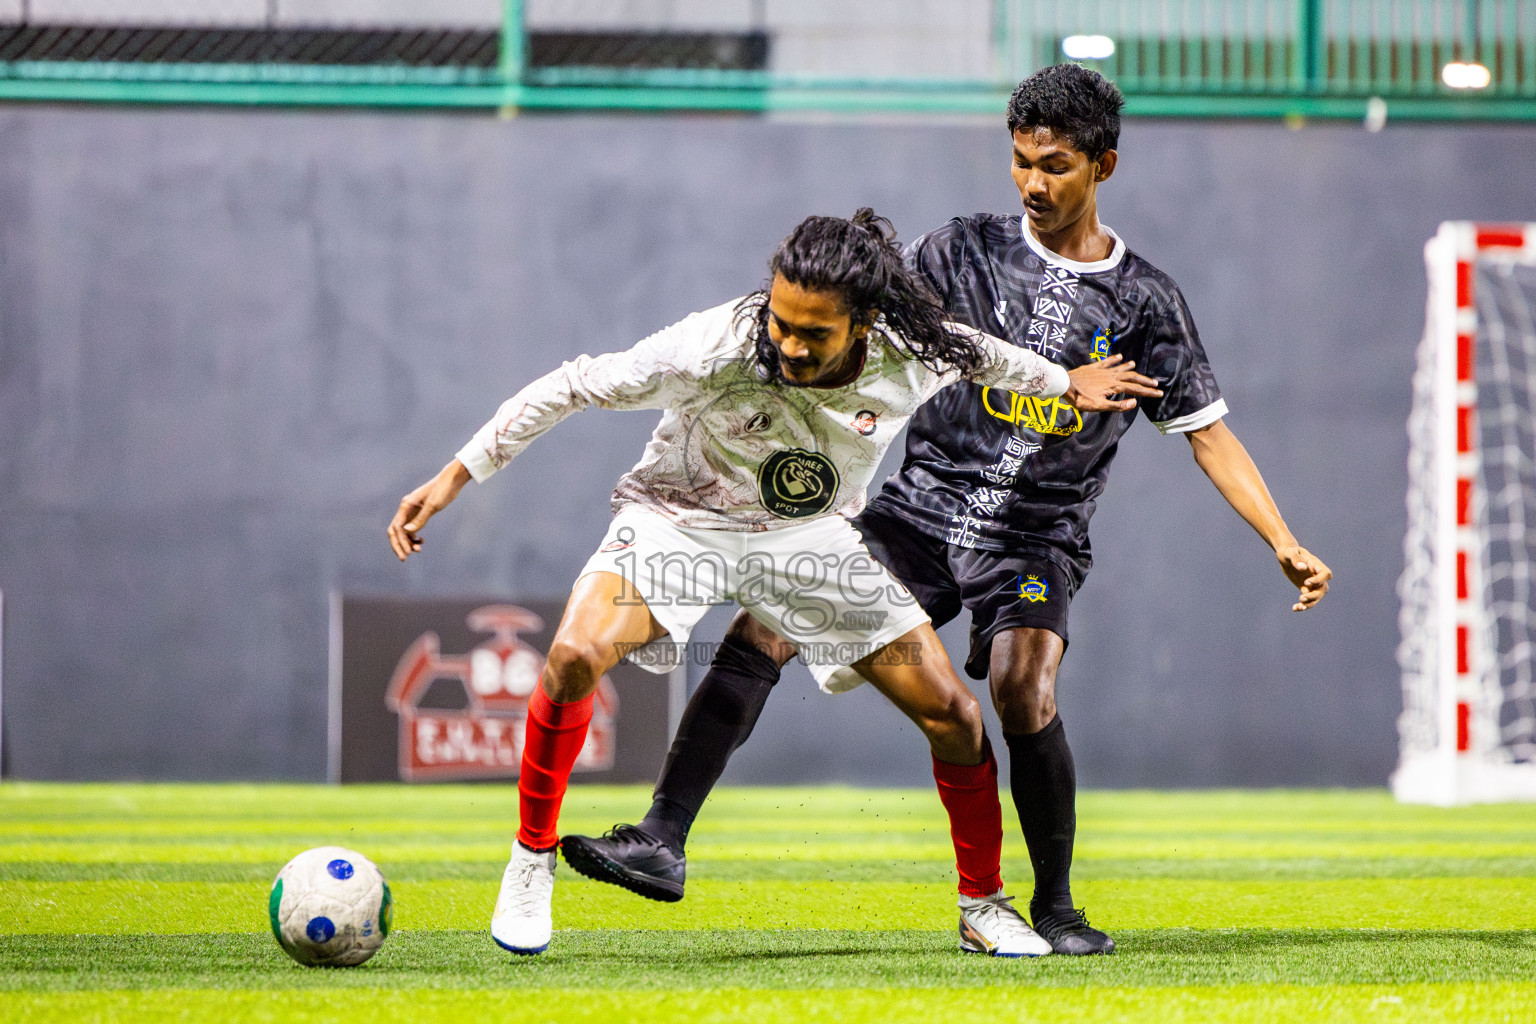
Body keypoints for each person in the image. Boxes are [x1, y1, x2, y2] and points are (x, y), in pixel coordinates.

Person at [559, 64, 1334, 957]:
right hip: (915, 514)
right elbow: (841, 317)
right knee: (764, 621)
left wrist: (1283, 539)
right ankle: (661, 840)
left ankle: (1055, 909)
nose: (1034, 184)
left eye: (1056, 165)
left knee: (1020, 685)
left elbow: (1208, 431)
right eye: (1020, 162)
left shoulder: (1145, 300)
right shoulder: (959, 249)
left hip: (1035, 537)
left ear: (1103, 167)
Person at [387, 208, 1160, 957]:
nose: (786, 342)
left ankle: (981, 906)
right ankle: (529, 861)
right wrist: (456, 475)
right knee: (572, 657)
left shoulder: (916, 350)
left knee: (955, 715)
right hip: (678, 523)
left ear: (864, 323)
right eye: (781, 322)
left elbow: (992, 358)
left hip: (806, 543)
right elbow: (575, 385)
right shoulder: (715, 344)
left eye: (811, 332)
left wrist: (1064, 381)